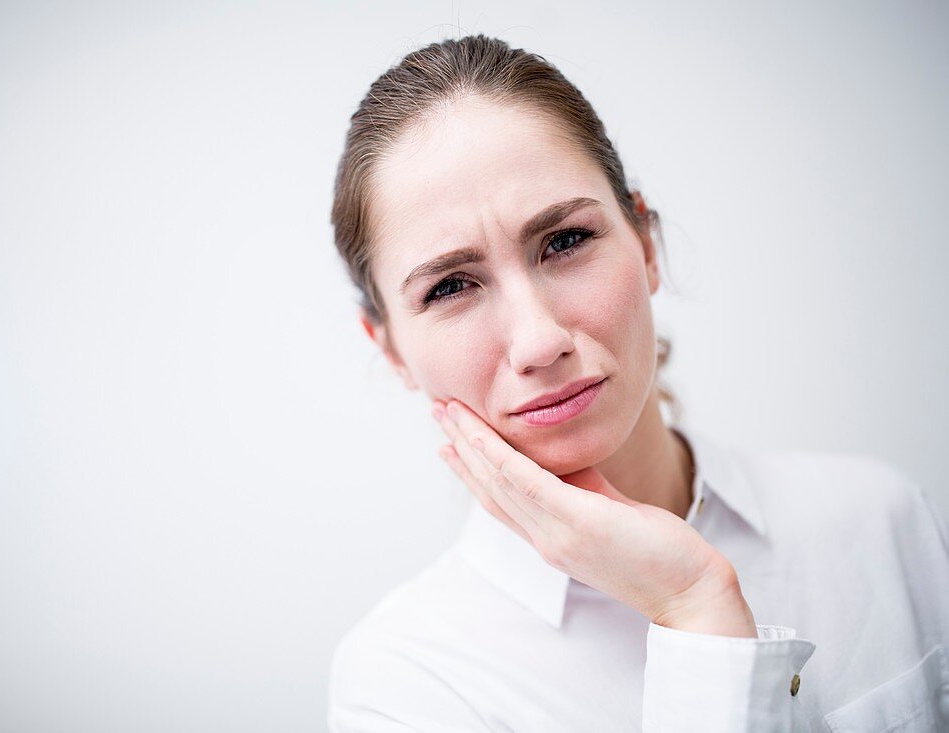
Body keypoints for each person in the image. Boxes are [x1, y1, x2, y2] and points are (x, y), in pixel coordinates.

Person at [326, 34, 949, 732]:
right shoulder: (403, 684)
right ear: (392, 351)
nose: (539, 340)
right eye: (450, 286)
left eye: (564, 240)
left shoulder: (882, 522)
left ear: (646, 244)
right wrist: (693, 605)